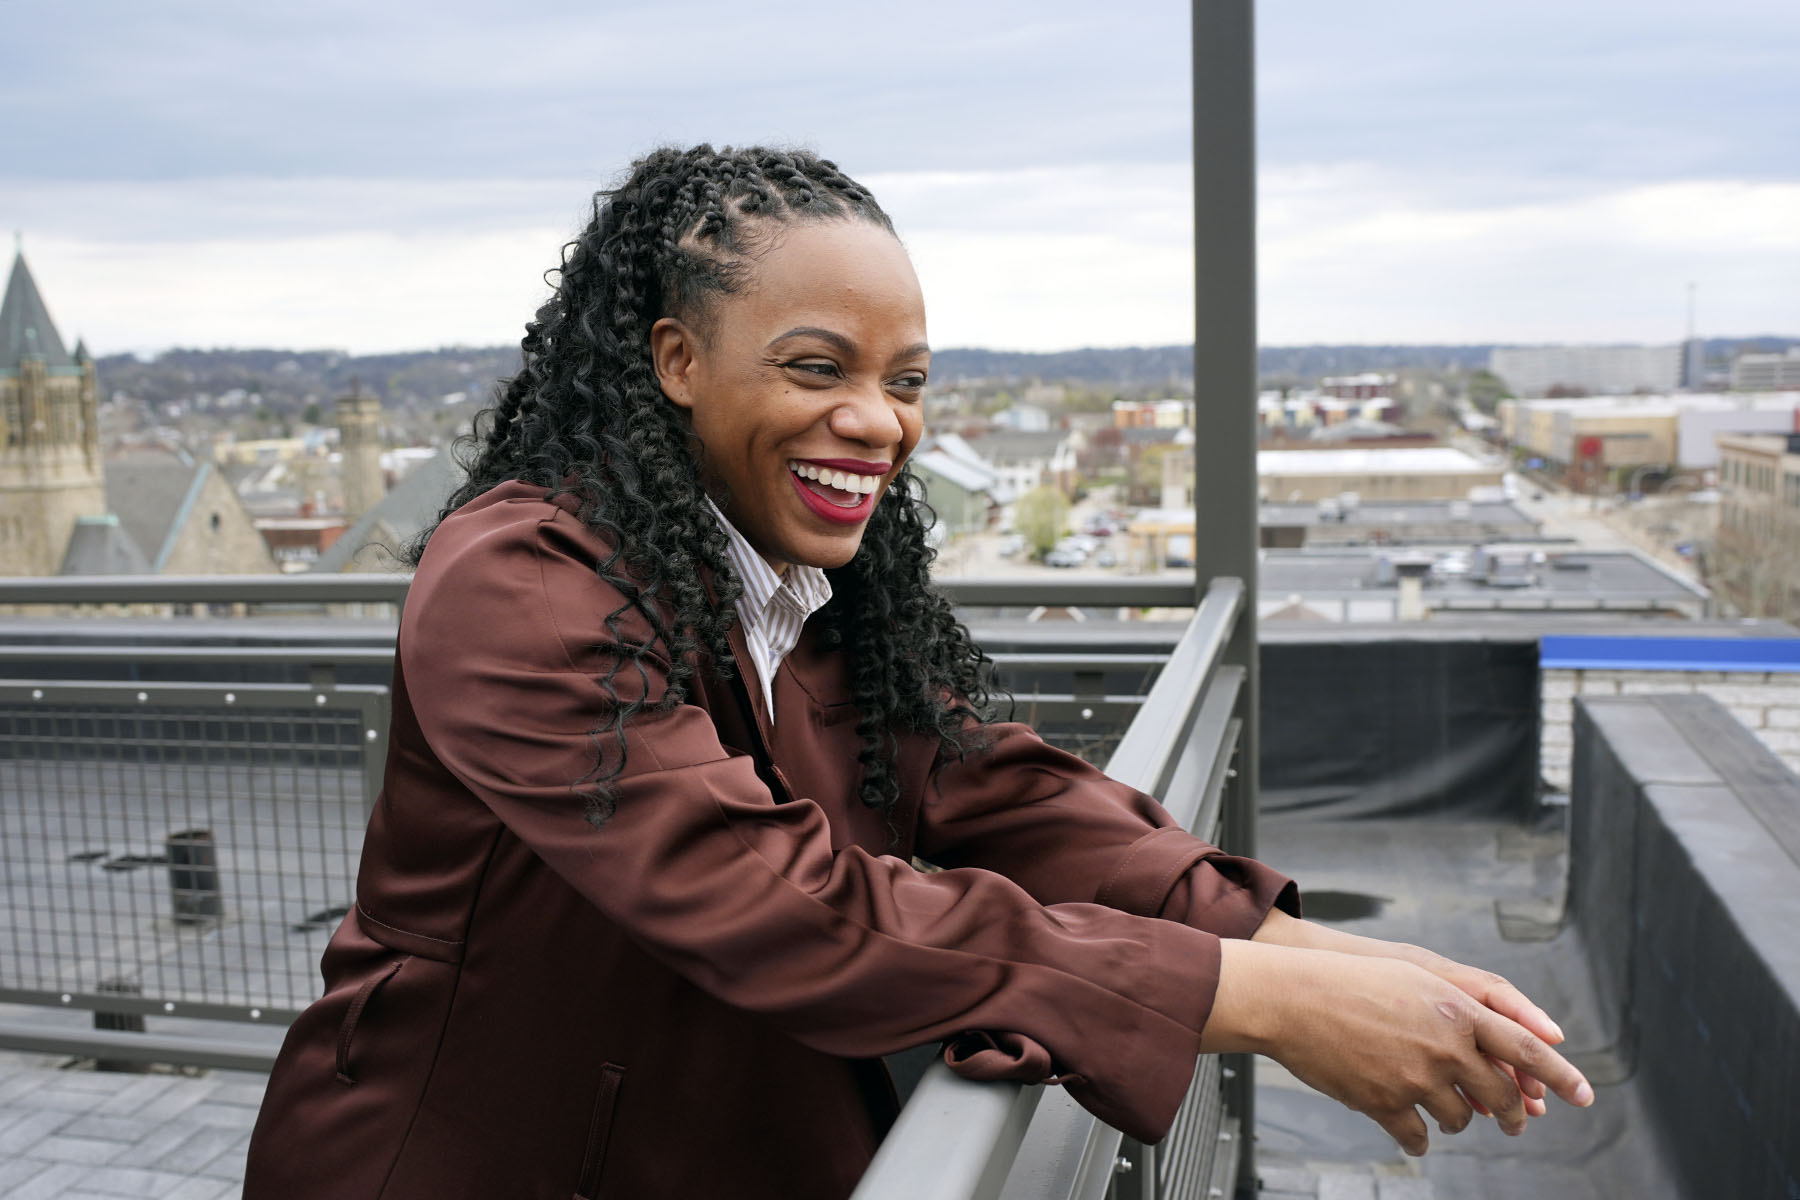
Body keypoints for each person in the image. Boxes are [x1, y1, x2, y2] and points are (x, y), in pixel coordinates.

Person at [243, 145, 1591, 1200]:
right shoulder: (521, 584)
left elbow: (992, 791)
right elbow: (781, 904)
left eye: (907, 378)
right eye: (817, 367)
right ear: (676, 360)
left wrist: (1294, 943)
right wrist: (1261, 1004)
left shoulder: (800, 581)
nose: (878, 421)